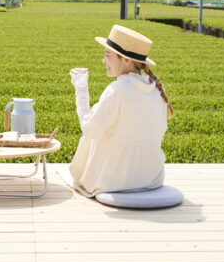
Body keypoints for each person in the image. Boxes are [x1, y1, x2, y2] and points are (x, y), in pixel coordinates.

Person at [67, 24, 175, 197]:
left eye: (107, 55)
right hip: (151, 178)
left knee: (93, 132)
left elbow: (88, 129)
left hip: (115, 181)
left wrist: (81, 88)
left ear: (126, 60)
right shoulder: (156, 91)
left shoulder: (118, 90)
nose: (104, 61)